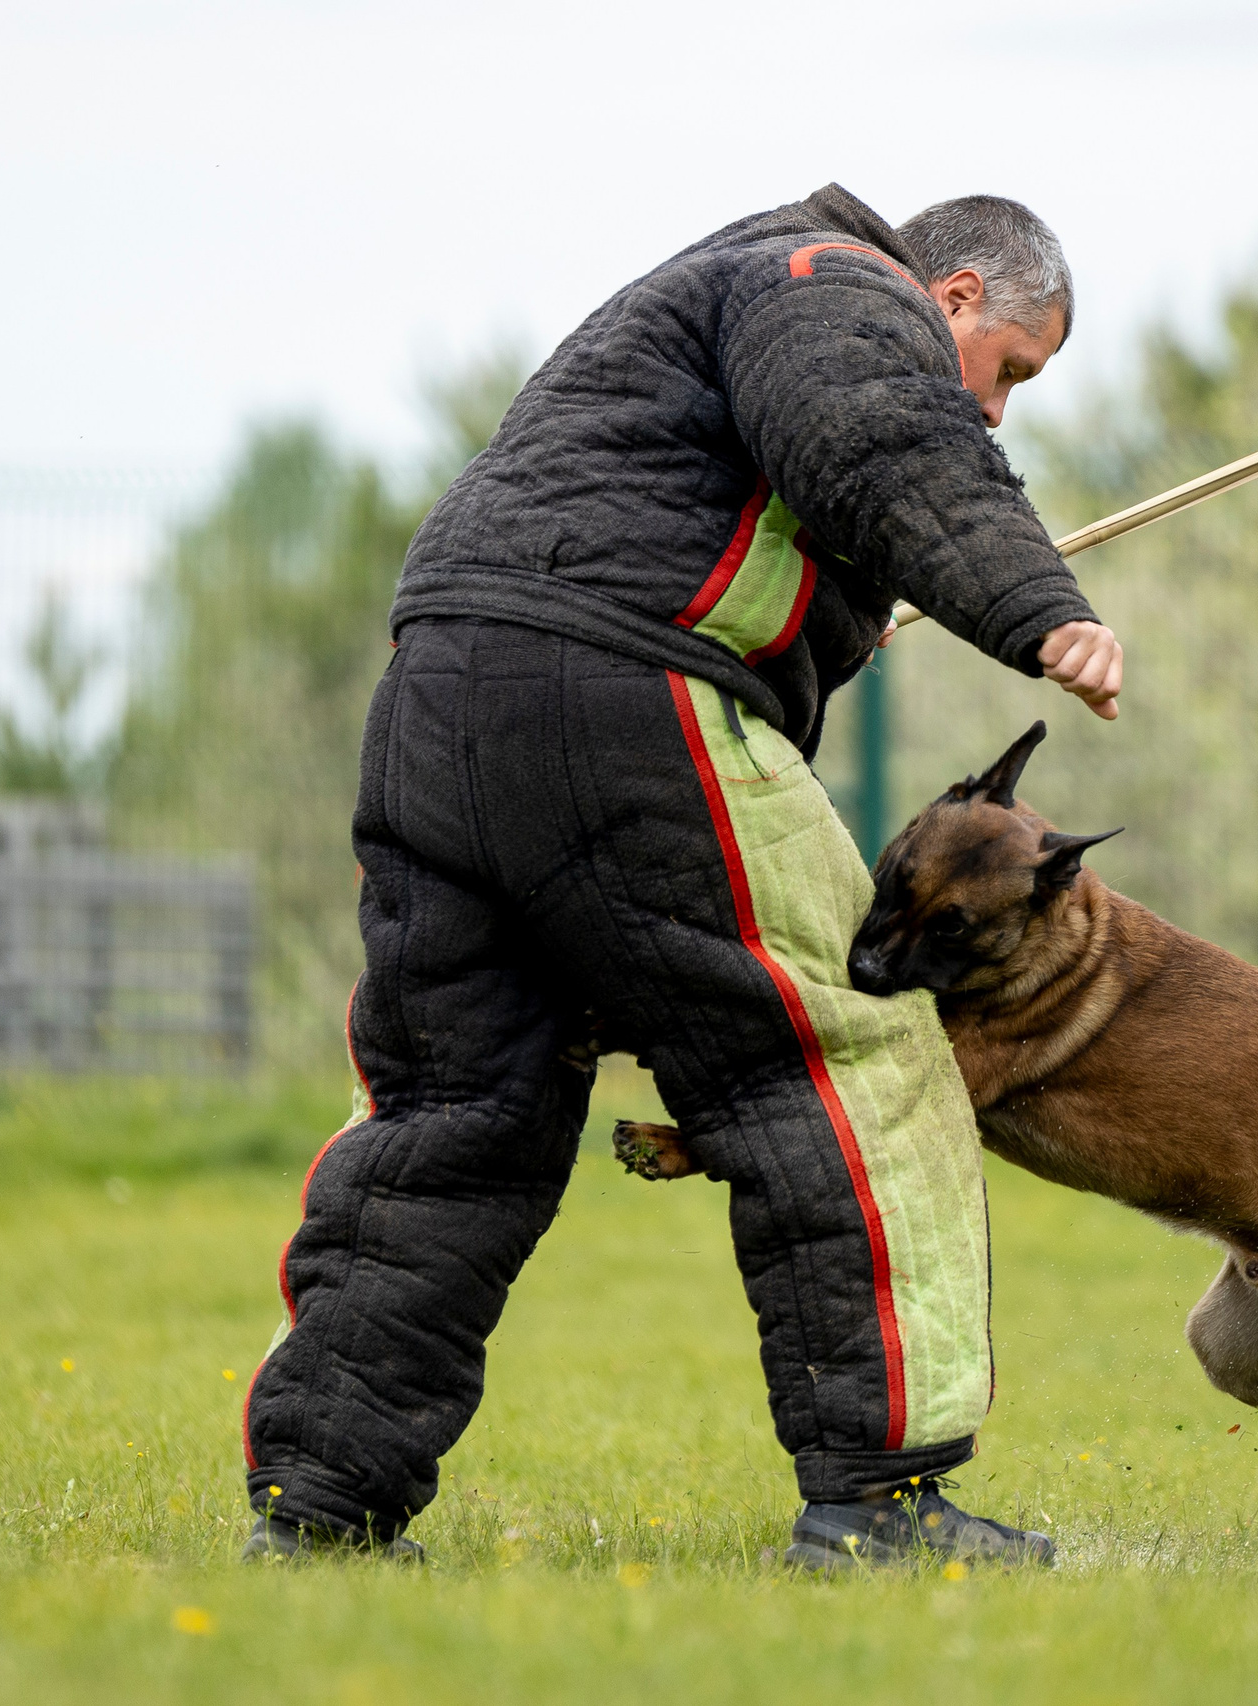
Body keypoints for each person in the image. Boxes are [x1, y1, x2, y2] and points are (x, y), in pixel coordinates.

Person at [239, 185, 1123, 1570]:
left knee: (452, 1113)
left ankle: (318, 1509)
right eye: (1009, 370)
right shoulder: (840, 280)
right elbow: (888, 439)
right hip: (619, 701)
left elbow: (707, 516)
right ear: (951, 292)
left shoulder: (716, 288)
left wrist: (822, 627)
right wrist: (1042, 609)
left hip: (438, 702)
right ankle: (879, 1506)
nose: (999, 411)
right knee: (853, 1058)